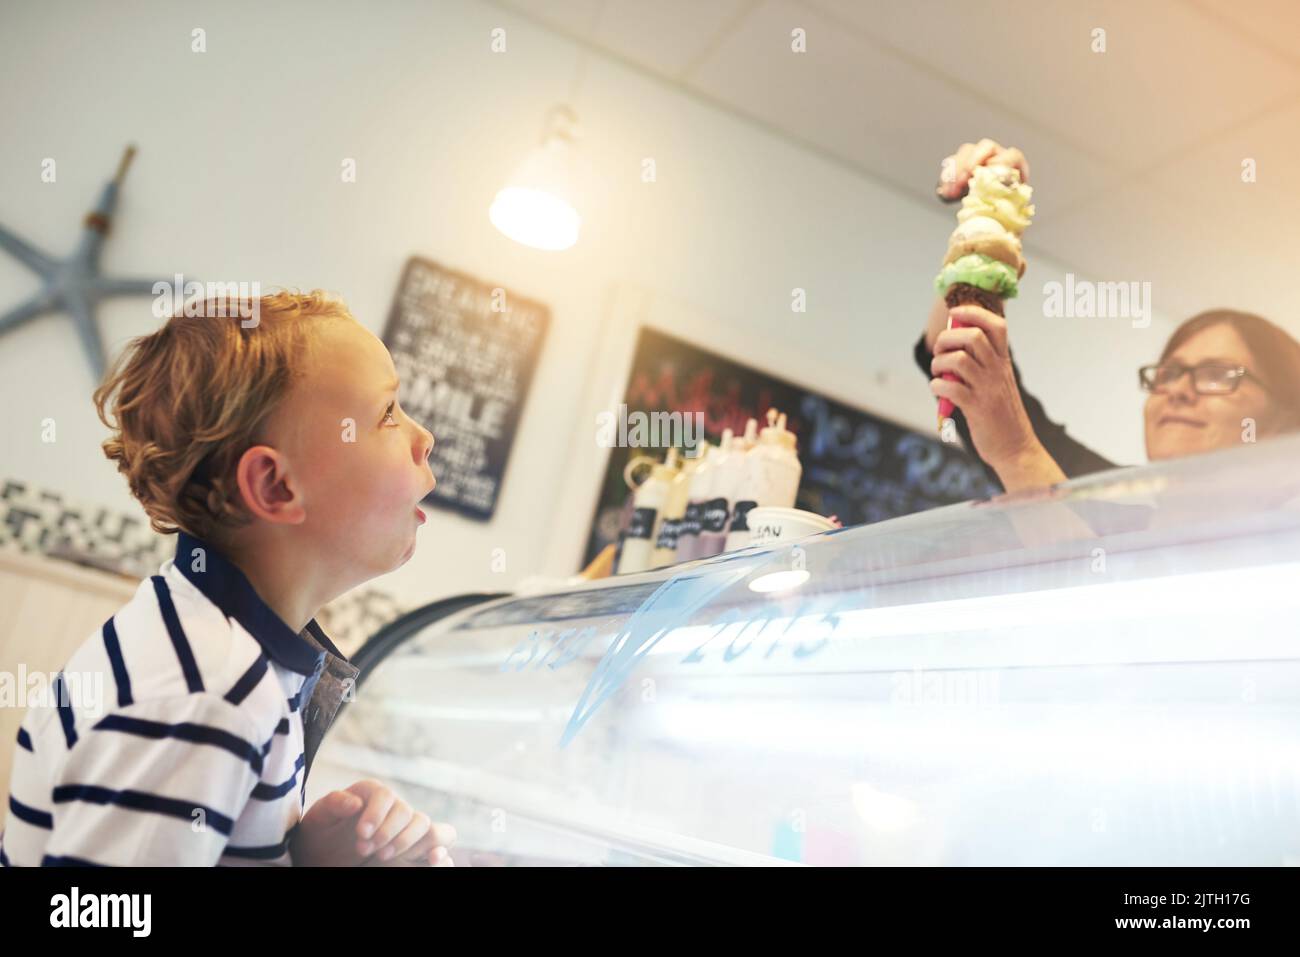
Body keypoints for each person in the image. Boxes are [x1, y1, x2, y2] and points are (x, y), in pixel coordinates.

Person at [1, 291, 456, 866]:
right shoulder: (208, 698)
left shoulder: (217, 650)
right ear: (274, 487)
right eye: (387, 413)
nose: (425, 437)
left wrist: (304, 856)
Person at [920, 139, 1300, 494]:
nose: (1180, 392)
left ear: (1287, 420)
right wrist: (991, 218)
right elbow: (954, 359)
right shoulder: (1106, 496)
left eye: (1217, 375)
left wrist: (1017, 451)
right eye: (1168, 373)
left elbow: (1080, 544)